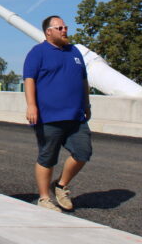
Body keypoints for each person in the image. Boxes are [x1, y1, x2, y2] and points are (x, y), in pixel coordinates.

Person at [23, 15, 92, 212]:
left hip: (75, 116)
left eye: (65, 27)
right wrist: (31, 105)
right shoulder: (38, 52)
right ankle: (44, 198)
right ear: (48, 32)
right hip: (48, 116)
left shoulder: (74, 51)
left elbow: (83, 80)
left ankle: (60, 185)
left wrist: (87, 104)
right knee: (48, 157)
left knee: (83, 152)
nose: (65, 30)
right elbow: (29, 80)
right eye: (60, 27)